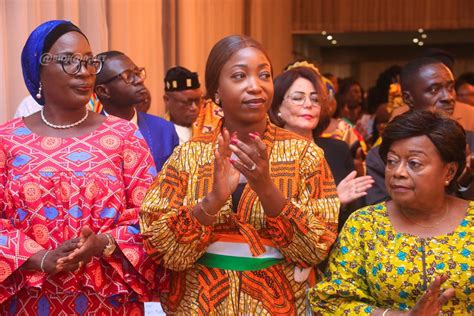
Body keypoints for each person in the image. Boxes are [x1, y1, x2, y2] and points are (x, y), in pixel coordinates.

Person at [140, 35, 340, 314]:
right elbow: (160, 248)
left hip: (277, 305)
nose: (255, 86)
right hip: (198, 303)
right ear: (216, 91)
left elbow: (317, 247)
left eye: (264, 75)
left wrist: (267, 189)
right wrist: (212, 201)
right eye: (239, 76)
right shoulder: (188, 155)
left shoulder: (305, 155)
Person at [0, 20, 158, 314]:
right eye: (70, 62)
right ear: (39, 70)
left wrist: (103, 243)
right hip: (27, 302)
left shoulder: (123, 137)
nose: (84, 71)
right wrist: (38, 258)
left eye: (89, 62)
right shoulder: (6, 141)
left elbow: (154, 219)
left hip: (109, 302)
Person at [309, 110, 473, 315]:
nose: (398, 172)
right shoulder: (364, 225)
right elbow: (331, 301)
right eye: (392, 161)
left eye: (414, 163)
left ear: (449, 171)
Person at [268, 64, 373, 231]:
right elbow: (279, 219)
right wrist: (334, 202)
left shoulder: (337, 150)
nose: (308, 104)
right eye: (297, 98)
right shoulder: (266, 154)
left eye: (315, 99)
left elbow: (355, 216)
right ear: (277, 107)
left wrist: (342, 205)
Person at [366, 57, 474, 204]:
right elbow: (382, 217)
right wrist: (457, 182)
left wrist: (466, 180)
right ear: (408, 98)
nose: (448, 97)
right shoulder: (383, 156)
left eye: (450, 87)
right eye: (434, 89)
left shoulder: (471, 143)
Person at [94, 50, 179, 170]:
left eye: (137, 73)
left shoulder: (163, 130)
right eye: (128, 76)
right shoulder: (89, 136)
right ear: (103, 91)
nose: (139, 80)